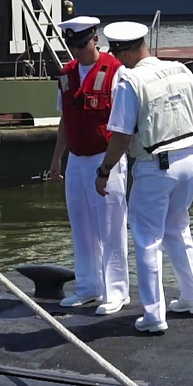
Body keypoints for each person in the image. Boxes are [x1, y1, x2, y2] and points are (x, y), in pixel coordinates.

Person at [95, 21, 193, 333]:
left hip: (156, 166)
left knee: (148, 240)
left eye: (117, 54)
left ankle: (154, 315)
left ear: (126, 51)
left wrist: (104, 171)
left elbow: (120, 136)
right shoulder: (181, 71)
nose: (116, 60)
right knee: (178, 229)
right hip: (189, 159)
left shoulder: (130, 81)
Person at [47, 17, 130, 315]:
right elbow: (64, 121)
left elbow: (123, 123)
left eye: (81, 44)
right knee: (80, 225)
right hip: (77, 159)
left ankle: (116, 290)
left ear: (94, 39)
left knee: (110, 226)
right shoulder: (67, 74)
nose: (76, 51)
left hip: (104, 157)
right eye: (71, 45)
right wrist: (58, 157)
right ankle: (88, 286)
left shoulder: (115, 72)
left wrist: (110, 165)